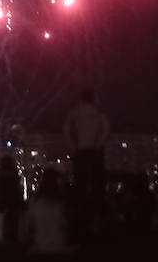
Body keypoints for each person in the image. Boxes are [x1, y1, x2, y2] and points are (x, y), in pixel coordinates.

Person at [63, 88, 111, 241]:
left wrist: (73, 145)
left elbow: (66, 128)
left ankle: (81, 221)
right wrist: (99, 144)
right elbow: (107, 129)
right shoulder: (98, 113)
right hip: (95, 151)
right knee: (97, 184)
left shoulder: (75, 113)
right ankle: (97, 221)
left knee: (80, 185)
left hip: (81, 150)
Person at [23, 173, 73, 253]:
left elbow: (28, 228)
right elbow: (66, 226)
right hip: (60, 247)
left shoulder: (35, 204)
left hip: (40, 246)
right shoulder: (62, 205)